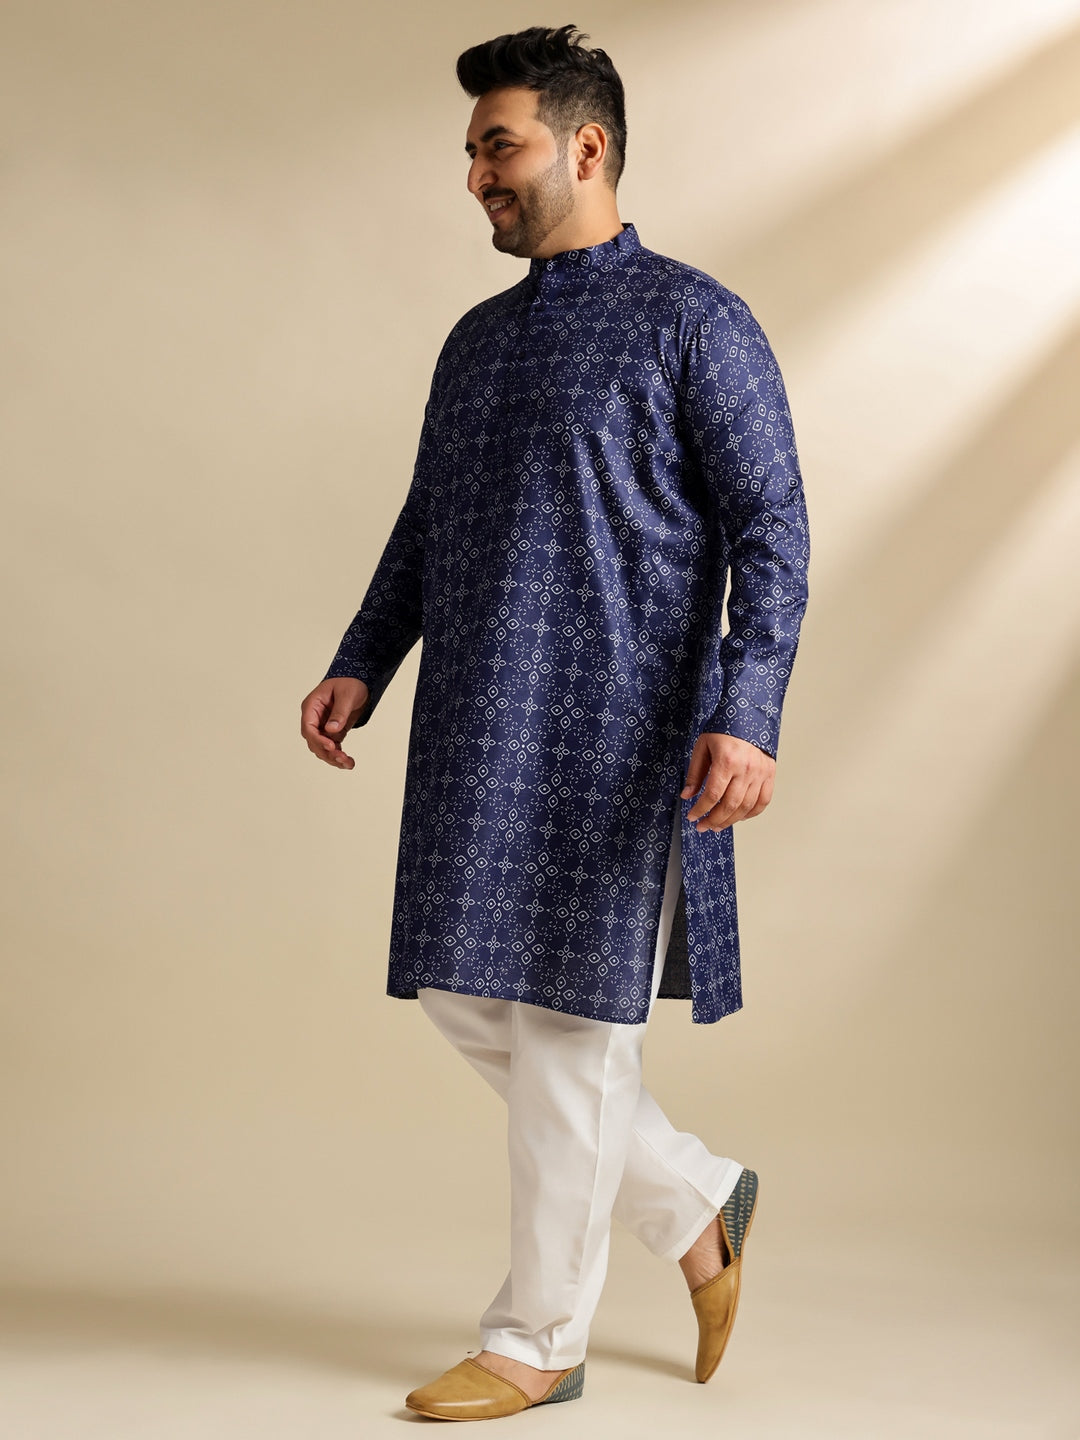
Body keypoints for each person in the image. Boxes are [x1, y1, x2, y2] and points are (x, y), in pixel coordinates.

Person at [300, 23, 810, 1422]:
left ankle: (537, 1340)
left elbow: (773, 530)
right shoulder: (476, 344)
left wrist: (748, 713)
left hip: (619, 740)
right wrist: (361, 662)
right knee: (469, 995)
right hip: (478, 728)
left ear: (586, 147)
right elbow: (426, 526)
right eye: (472, 151)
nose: (476, 174)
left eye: (498, 145)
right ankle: (698, 1203)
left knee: (575, 1037)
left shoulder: (694, 320)